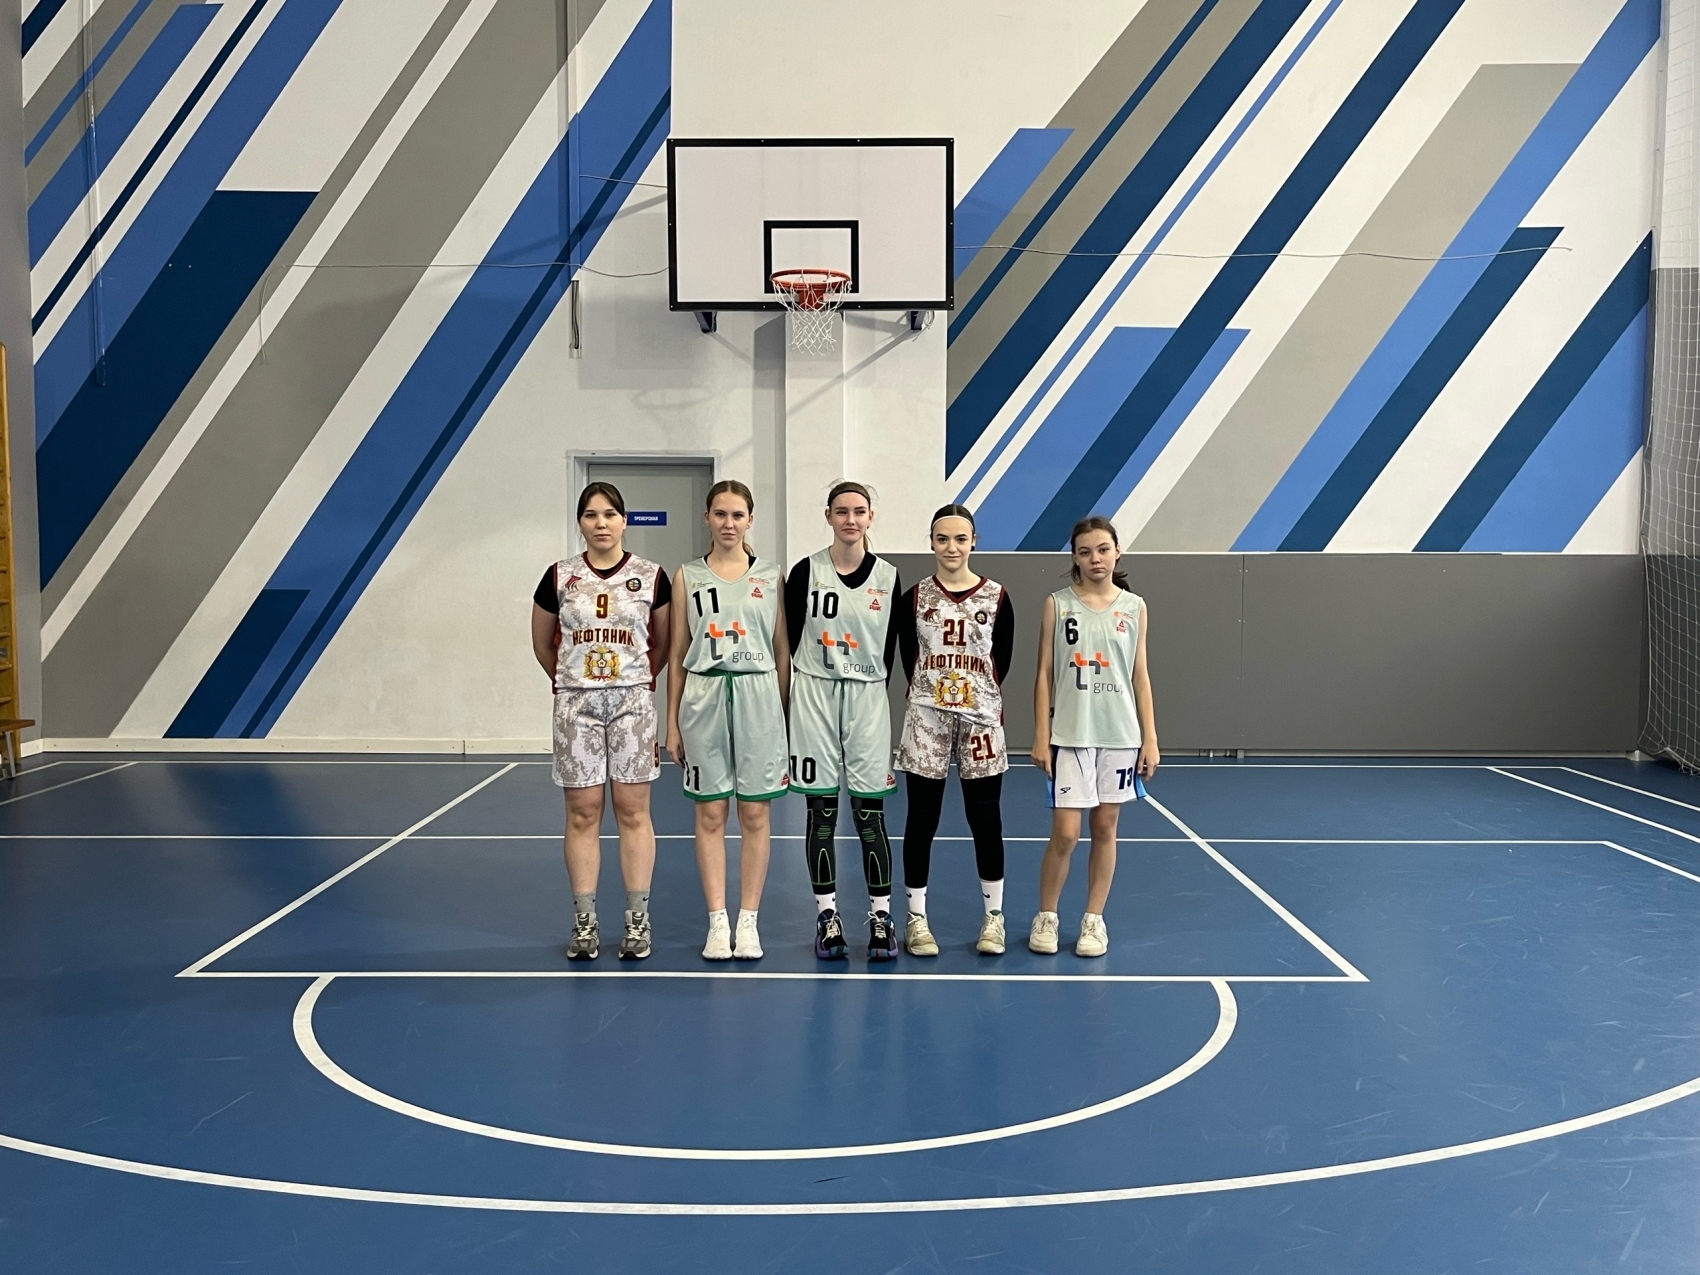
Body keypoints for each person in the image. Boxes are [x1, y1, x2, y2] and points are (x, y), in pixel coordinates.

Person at [530, 482, 671, 961]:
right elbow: (542, 643)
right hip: (577, 706)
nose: (601, 523)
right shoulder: (559, 576)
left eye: (610, 514)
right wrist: (574, 681)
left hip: (632, 704)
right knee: (583, 813)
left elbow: (663, 643)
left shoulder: (651, 576)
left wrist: (635, 681)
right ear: (580, 523)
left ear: (624, 521)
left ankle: (637, 920)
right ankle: (585, 921)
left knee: (633, 812)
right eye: (591, 515)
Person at [665, 480, 791, 961]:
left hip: (758, 695)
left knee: (755, 813)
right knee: (711, 813)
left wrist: (781, 714)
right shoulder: (687, 576)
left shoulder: (771, 575)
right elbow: (677, 653)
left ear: (750, 519)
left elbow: (782, 651)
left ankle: (749, 920)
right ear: (707, 518)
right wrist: (672, 723)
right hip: (705, 695)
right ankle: (717, 920)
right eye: (720, 514)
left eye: (738, 515)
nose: (729, 523)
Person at [1028, 515, 1159, 958]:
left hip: (1119, 733)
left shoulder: (1135, 607)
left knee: (1105, 826)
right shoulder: (1058, 604)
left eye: (1103, 549)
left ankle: (1093, 919)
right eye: (1085, 552)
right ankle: (1047, 915)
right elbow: (1043, 673)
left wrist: (1150, 738)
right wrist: (1041, 733)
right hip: (1071, 731)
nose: (1095, 559)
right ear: (1075, 558)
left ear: (1117, 552)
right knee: (1066, 833)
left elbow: (1140, 676)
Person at [785, 481, 902, 960]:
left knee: (870, 815)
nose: (850, 519)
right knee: (822, 812)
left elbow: (891, 649)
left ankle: (881, 917)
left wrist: (866, 685)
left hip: (867, 694)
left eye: (858, 511)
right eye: (841, 511)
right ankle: (827, 916)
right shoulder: (804, 572)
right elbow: (789, 637)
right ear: (828, 517)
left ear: (871, 517)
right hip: (814, 690)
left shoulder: (889, 577)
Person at [894, 504, 1015, 956]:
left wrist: (973, 695)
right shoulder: (915, 597)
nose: (951, 547)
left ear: (974, 542)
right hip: (927, 718)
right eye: (942, 538)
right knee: (921, 818)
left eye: (960, 539)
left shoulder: (997, 596)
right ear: (931, 542)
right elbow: (908, 657)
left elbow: (1002, 660)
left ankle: (994, 918)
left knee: (985, 819)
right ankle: (917, 919)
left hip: (980, 719)